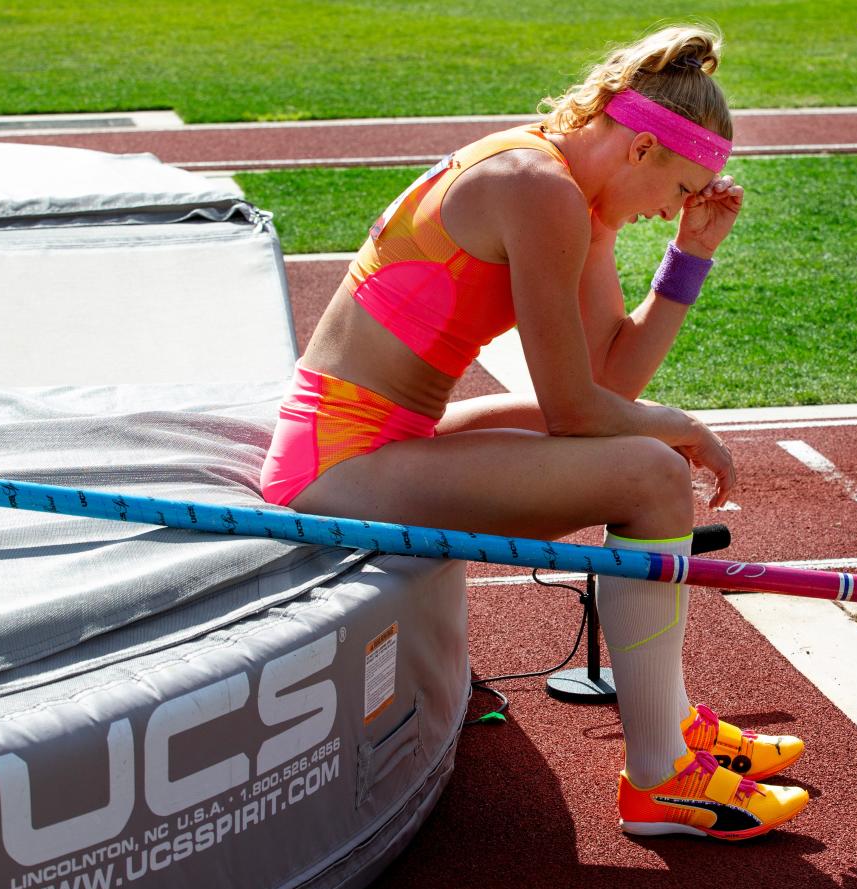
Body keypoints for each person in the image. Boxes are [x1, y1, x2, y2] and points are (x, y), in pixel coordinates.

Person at [260, 24, 809, 840]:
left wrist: (686, 260)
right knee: (653, 473)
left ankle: (674, 726)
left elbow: (608, 386)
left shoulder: (563, 187)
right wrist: (684, 428)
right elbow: (574, 411)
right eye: (681, 190)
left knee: (644, 454)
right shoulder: (537, 187)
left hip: (383, 436)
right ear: (640, 150)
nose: (674, 210)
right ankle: (662, 778)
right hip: (336, 464)